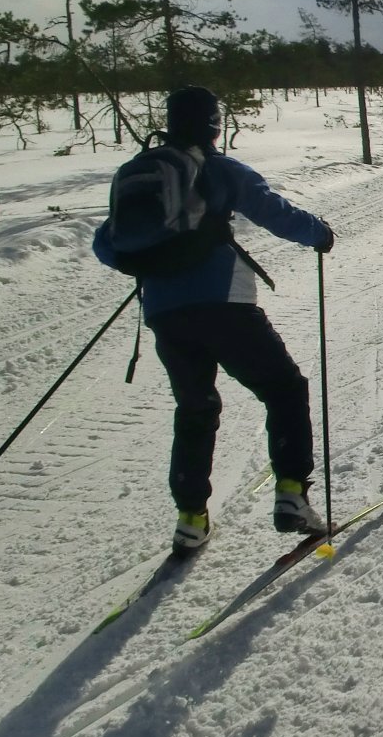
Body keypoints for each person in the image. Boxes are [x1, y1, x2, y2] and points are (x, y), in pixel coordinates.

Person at [92, 86, 335, 554]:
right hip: (225, 304)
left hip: (164, 313)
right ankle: (291, 494)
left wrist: (161, 263)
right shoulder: (217, 169)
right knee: (284, 387)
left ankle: (190, 518)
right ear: (213, 125)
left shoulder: (138, 173)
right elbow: (272, 211)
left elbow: (107, 245)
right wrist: (319, 234)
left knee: (196, 408)